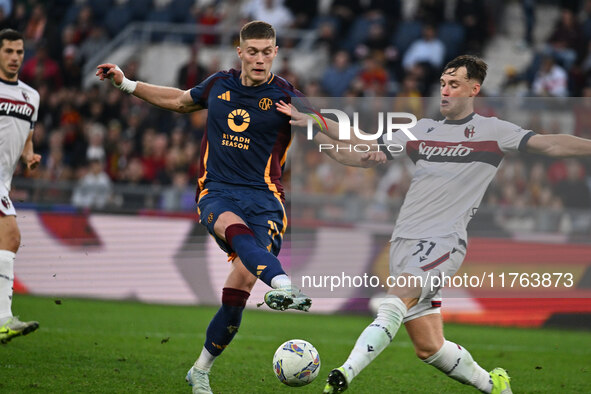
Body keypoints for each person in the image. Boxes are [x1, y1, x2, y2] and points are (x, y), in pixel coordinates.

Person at [278, 54, 591, 394]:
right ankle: (495, 385)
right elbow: (358, 144)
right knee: (429, 348)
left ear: (474, 89)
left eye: (454, 84)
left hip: (443, 242)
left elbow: (551, 143)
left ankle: (343, 375)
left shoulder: (494, 130)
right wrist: (313, 127)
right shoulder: (422, 130)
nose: (445, 91)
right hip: (402, 244)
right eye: (443, 84)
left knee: (394, 301)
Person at [96, 20, 335, 394]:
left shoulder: (287, 95)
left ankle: (200, 369)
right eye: (251, 51)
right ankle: (285, 284)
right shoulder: (218, 84)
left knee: (238, 291)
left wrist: (312, 120)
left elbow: (333, 126)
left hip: (266, 201)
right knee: (233, 230)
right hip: (217, 192)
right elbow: (178, 101)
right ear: (239, 51)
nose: (258, 59)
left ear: (275, 53)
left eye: (265, 52)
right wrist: (126, 83)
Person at [0, 29, 42, 344]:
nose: (15, 58)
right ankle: (3, 319)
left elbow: (26, 137)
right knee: (11, 236)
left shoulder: (31, 97)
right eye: (8, 52)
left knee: (7, 241)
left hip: (5, 181)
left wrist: (28, 157)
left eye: (19, 52)